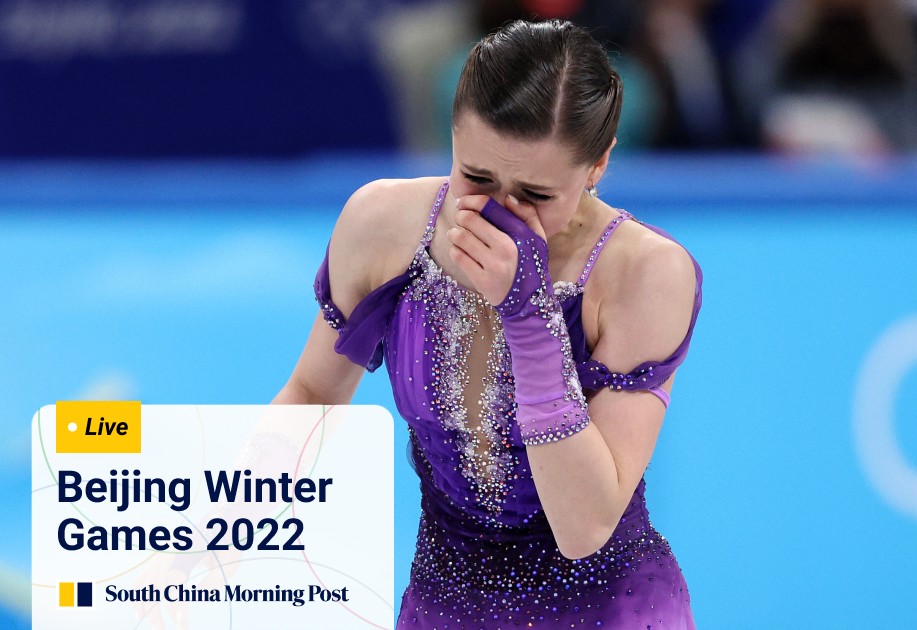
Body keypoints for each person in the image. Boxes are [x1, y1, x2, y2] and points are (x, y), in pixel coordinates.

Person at [273, 19, 702, 628]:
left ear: (599, 165)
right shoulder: (383, 223)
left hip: (606, 613)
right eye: (476, 178)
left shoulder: (645, 273)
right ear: (450, 136)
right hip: (442, 609)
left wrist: (528, 315)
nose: (501, 211)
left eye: (535, 193)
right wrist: (228, 529)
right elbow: (314, 392)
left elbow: (584, 526)